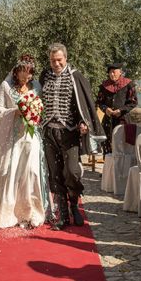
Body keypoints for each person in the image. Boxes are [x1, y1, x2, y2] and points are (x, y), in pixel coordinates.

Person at [0, 55, 52, 228]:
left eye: (30, 72)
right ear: (16, 72)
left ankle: (31, 211)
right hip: (13, 137)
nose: (27, 76)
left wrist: (34, 114)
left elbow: (41, 108)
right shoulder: (6, 87)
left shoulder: (36, 86)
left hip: (31, 136)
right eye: (24, 72)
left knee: (32, 171)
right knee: (12, 173)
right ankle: (11, 213)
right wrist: (15, 112)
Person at [40, 43, 105, 230]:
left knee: (72, 171)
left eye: (59, 60)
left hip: (68, 132)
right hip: (49, 132)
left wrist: (83, 122)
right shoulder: (45, 75)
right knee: (55, 173)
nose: (56, 63)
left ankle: (74, 205)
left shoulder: (75, 76)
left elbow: (83, 103)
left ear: (65, 58)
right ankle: (63, 214)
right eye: (53, 60)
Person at [96, 63, 138, 154]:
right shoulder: (104, 86)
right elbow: (99, 102)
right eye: (110, 72)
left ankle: (123, 167)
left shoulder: (128, 84)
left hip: (123, 119)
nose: (112, 74)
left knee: (122, 145)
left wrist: (121, 110)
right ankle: (109, 167)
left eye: (114, 72)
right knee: (108, 146)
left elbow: (133, 102)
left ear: (120, 72)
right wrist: (106, 109)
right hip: (108, 120)